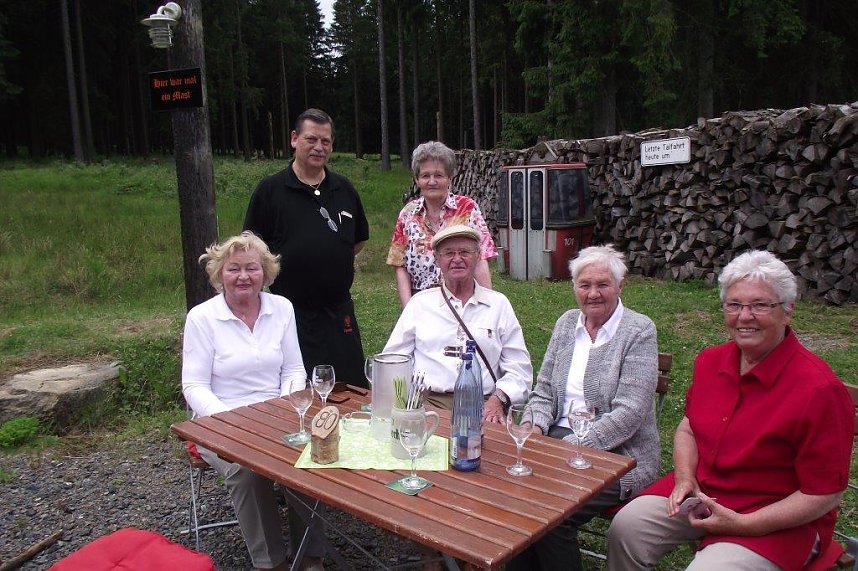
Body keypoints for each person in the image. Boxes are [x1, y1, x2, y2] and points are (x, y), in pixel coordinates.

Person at [607, 250, 854, 571]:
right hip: (705, 491)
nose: (745, 316)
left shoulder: (819, 390)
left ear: (788, 310)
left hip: (775, 517)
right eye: (734, 304)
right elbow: (688, 428)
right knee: (627, 528)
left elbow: (824, 495)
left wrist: (744, 525)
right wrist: (684, 479)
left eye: (761, 305)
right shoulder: (711, 361)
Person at [507, 244, 660, 571]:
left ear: (621, 285)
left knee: (551, 516)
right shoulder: (566, 324)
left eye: (603, 284)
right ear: (574, 287)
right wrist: (533, 426)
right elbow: (545, 388)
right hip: (556, 443)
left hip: (620, 455)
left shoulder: (638, 330)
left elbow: (630, 413)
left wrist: (571, 446)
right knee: (514, 500)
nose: (593, 293)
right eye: (584, 285)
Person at [181, 231, 324, 571]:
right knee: (246, 470)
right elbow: (194, 385)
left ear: (265, 272)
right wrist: (233, 420)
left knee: (311, 456)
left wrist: (280, 407)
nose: (243, 276)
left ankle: (311, 556)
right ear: (220, 275)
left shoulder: (282, 308)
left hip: (279, 412)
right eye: (233, 269)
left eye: (252, 268)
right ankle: (269, 561)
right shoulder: (202, 318)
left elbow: (293, 369)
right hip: (221, 420)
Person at [244, 108, 369, 387]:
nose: (319, 147)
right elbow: (251, 248)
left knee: (352, 391)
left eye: (326, 141)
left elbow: (358, 240)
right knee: (298, 392)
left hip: (339, 314)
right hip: (290, 314)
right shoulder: (270, 191)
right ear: (294, 139)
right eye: (311, 139)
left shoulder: (344, 189)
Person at [382, 224, 532, 423]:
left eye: (465, 252)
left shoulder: (498, 305)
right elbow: (393, 361)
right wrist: (402, 407)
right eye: (448, 253)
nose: (457, 259)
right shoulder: (420, 304)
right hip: (429, 407)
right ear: (437, 258)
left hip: (486, 408)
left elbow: (519, 368)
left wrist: (499, 399)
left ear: (478, 256)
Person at [387, 141, 497, 307]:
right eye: (425, 176)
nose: (432, 181)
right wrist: (408, 309)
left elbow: (481, 258)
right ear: (417, 180)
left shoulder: (467, 209)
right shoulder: (407, 214)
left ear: (449, 179)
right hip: (421, 302)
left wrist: (489, 306)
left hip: (462, 301)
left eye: (438, 175)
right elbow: (399, 265)